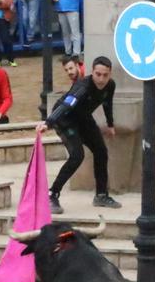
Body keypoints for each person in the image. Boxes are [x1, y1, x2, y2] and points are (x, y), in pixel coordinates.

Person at [37, 57, 121, 214]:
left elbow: (107, 103)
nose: (101, 79)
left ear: (110, 74)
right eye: (98, 74)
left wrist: (110, 125)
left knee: (101, 151)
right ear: (92, 72)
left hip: (83, 118)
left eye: (105, 75)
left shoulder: (110, 85)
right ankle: (52, 194)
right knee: (77, 155)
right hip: (65, 119)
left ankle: (101, 195)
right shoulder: (82, 87)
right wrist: (48, 122)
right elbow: (66, 104)